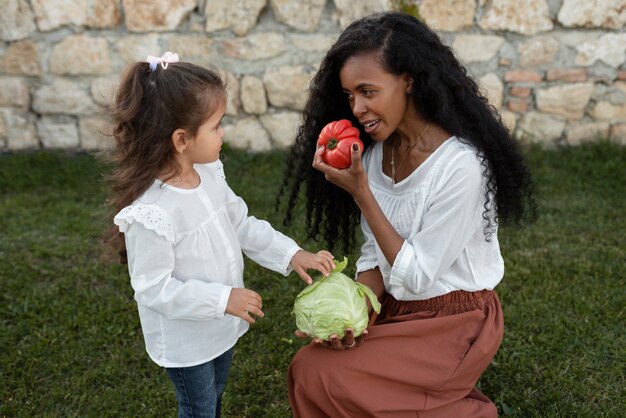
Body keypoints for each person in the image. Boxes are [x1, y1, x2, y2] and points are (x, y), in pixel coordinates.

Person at [278, 12, 536, 418]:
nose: (357, 108)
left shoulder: (461, 167)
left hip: (456, 319)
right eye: (349, 96)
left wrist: (362, 194)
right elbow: (374, 255)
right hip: (396, 306)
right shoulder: (378, 155)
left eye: (368, 91)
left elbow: (418, 275)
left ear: (409, 81)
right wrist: (356, 310)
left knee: (326, 377)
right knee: (310, 368)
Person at [104, 52, 335, 418]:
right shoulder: (152, 213)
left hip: (220, 324)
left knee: (215, 393)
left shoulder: (209, 174)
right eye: (216, 125)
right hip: (188, 338)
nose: (223, 132)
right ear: (182, 139)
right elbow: (153, 289)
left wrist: (291, 254)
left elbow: (241, 223)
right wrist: (223, 299)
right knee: (198, 407)